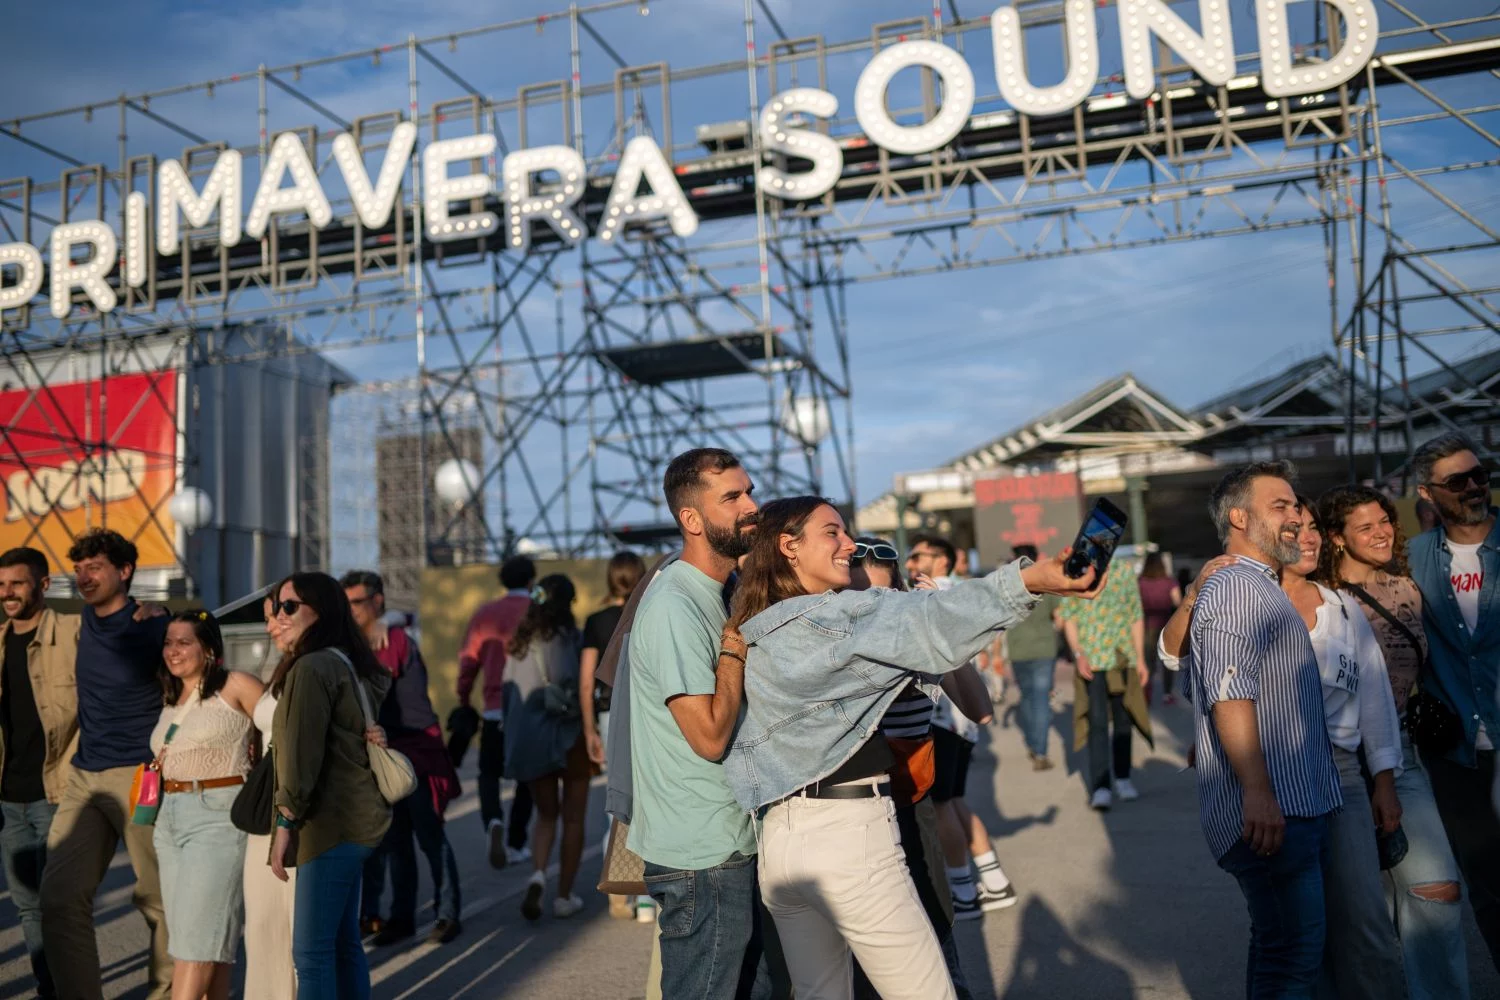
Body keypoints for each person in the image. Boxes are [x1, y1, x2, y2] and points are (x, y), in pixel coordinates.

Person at [723, 497, 1100, 999]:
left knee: (819, 993)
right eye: (832, 532)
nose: (848, 544)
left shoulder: (759, 624)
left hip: (781, 841)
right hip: (849, 838)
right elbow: (935, 618)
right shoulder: (837, 617)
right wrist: (1031, 580)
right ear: (789, 547)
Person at [1164, 502, 1407, 999]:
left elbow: (1375, 696)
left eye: (1315, 527)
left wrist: (1384, 779)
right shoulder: (1244, 596)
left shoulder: (1339, 608)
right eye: (1297, 525)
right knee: (1299, 936)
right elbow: (1179, 659)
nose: (1308, 536)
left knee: (1360, 920)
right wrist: (1192, 595)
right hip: (1275, 771)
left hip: (1341, 771)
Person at [1183, 462, 1341, 998]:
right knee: (1293, 961)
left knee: (1280, 952)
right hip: (1275, 814)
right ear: (1238, 518)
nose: (1297, 517)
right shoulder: (1236, 588)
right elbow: (1229, 691)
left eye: (1297, 506)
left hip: (1290, 807)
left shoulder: (1258, 587)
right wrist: (1257, 792)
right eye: (1281, 506)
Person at [1321, 484, 1470, 998]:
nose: (1381, 531)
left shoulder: (1406, 589)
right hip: (1338, 763)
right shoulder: (1319, 599)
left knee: (1437, 889)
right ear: (1337, 539)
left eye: (1384, 520)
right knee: (1368, 914)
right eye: (1365, 526)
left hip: (1403, 756)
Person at [628, 447, 764, 999]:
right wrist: (733, 648)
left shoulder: (718, 590)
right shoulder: (675, 603)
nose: (751, 506)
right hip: (704, 857)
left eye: (749, 490)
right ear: (692, 519)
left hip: (728, 842)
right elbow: (708, 737)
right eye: (731, 497)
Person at [40, 529, 173, 1000]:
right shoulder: (80, 624)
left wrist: (173, 613)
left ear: (125, 571)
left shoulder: (154, 626)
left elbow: (206, 642)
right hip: (84, 774)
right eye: (77, 569)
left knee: (159, 903)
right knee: (57, 899)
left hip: (141, 775)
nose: (83, 577)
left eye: (94, 567)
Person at [845, 537, 970, 1000]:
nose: (874, 606)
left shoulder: (918, 638)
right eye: (862, 596)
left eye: (884, 595)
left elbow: (978, 706)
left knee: (932, 929)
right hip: (851, 812)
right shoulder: (838, 643)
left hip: (908, 806)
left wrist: (945, 628)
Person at [268, 572, 392, 1000]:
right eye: (274, 608)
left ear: (320, 612)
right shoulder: (342, 660)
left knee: (312, 953)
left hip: (328, 825)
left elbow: (301, 758)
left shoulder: (312, 666)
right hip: (354, 821)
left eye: (288, 607)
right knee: (342, 946)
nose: (278, 617)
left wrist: (284, 824)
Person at [1408, 432, 1500, 975]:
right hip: (1458, 754)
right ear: (1428, 493)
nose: (1474, 487)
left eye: (1480, 475)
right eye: (1457, 481)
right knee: (1488, 885)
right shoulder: (1409, 559)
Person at [344, 571, 463, 946]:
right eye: (346, 603)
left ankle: (447, 914)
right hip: (388, 753)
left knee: (430, 837)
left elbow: (372, 690)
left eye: (358, 602)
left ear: (378, 601)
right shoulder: (366, 637)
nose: (351, 610)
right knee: (394, 841)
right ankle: (400, 918)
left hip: (417, 751)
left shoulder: (390, 637)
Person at [151, 610, 263, 1000]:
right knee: (196, 940)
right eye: (168, 641)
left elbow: (286, 728)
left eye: (184, 642)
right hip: (168, 818)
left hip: (217, 815)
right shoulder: (171, 697)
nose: (172, 650)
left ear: (210, 648)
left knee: (196, 947)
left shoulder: (237, 684)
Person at [906, 533, 1015, 921]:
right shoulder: (967, 595)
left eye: (918, 555)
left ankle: (963, 889)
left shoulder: (938, 595)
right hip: (963, 720)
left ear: (942, 561)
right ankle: (993, 879)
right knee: (954, 801)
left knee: (940, 806)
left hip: (945, 717)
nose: (910, 561)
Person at [0, 547, 80, 1000]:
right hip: (9, 799)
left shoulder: (73, 632)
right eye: (2, 584)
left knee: (61, 905)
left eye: (18, 583)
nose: (7, 593)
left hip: (57, 792)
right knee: (28, 907)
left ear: (43, 585)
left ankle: (74, 989)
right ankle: (50, 990)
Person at [503, 573, 592, 920]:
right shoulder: (573, 639)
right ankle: (564, 896)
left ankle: (538, 873)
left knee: (545, 816)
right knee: (573, 820)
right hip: (571, 739)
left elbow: (509, 699)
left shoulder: (518, 644)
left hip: (533, 743)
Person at [579, 549, 646, 919]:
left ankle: (617, 877)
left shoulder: (595, 621)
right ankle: (646, 890)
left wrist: (588, 728)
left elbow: (588, 680)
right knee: (649, 796)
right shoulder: (647, 609)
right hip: (645, 712)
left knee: (615, 796)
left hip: (608, 713)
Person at [457, 556, 536, 867]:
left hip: (494, 710)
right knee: (527, 778)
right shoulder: (536, 612)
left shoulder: (485, 614)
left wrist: (464, 697)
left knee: (488, 773)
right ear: (531, 580)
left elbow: (468, 662)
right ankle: (517, 843)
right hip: (530, 710)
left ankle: (492, 820)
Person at [1060, 557, 1151, 810]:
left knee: (1124, 720)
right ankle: (1101, 785)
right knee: (1097, 722)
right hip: (1092, 660)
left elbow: (1135, 615)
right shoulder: (1077, 572)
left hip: (1123, 658)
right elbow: (1069, 617)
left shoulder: (1123, 572)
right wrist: (1078, 654)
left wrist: (1141, 660)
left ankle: (1123, 777)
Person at [243, 596, 296, 1000]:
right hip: (267, 812)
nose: (271, 627)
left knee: (296, 934)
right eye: (267, 619)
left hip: (295, 816)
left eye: (280, 615)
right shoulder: (282, 666)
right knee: (262, 930)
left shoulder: (326, 666)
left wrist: (286, 822)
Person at [1004, 544, 1061, 770]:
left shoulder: (1008, 584)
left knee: (1028, 697)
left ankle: (1033, 742)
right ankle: (1040, 750)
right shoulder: (1047, 580)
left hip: (1018, 650)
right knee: (1040, 700)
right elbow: (1059, 617)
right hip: (1044, 649)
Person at [1139, 552, 1182, 705]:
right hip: (1165, 623)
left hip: (1146, 624)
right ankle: (1167, 694)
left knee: (1148, 661)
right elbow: (1177, 602)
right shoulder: (1169, 582)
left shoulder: (1140, 582)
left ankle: (1146, 691)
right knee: (1167, 661)